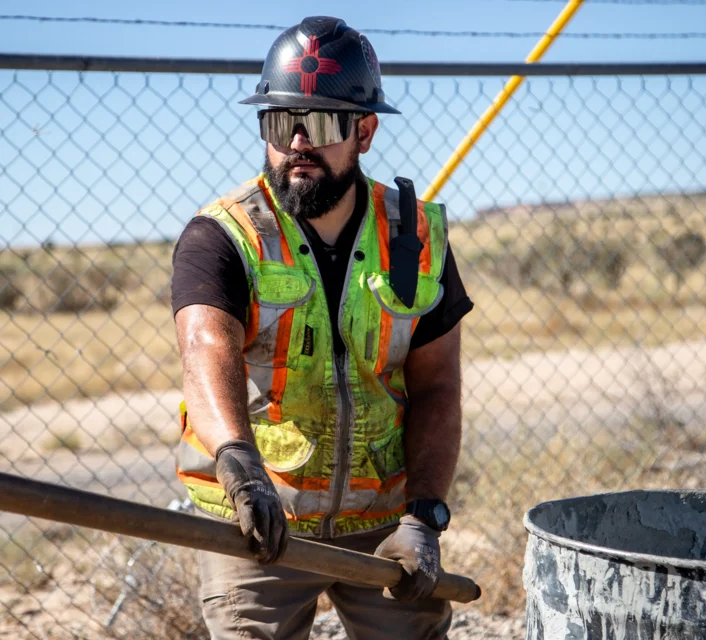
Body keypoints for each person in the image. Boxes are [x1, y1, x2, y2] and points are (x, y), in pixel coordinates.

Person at [171, 16, 473, 640]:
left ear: (365, 131)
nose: (299, 142)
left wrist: (422, 517)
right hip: (255, 512)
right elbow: (205, 346)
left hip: (382, 516)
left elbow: (438, 386)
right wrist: (238, 467)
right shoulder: (222, 238)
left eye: (325, 122)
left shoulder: (416, 240)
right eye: (282, 122)